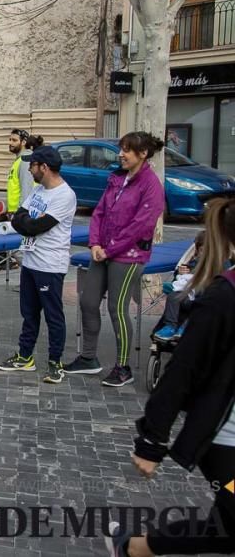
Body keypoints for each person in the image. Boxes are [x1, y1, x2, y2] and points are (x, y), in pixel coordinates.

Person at [105, 197, 235, 557]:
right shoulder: (224, 299)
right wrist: (151, 442)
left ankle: (135, 547)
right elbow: (182, 372)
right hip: (227, 441)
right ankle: (135, 547)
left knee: (226, 529)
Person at [65, 131, 166, 388]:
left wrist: (110, 250)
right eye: (120, 149)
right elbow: (99, 212)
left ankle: (123, 367)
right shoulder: (117, 179)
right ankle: (88, 358)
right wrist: (95, 243)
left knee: (117, 309)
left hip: (128, 256)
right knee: (88, 301)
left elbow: (140, 227)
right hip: (103, 252)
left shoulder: (151, 186)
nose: (120, 154)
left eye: (126, 150)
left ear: (142, 154)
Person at [0, 146, 77, 383]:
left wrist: (28, 221)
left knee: (53, 315)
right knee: (29, 313)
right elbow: (19, 218)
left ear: (45, 167)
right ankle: (25, 356)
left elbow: (34, 226)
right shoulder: (39, 190)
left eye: (32, 165)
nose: (29, 169)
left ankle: (55, 362)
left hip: (50, 264)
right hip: (30, 260)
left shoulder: (64, 195)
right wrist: (27, 221)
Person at [153, 232, 207, 339]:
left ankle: (186, 326)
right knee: (173, 296)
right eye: (202, 250)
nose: (205, 254)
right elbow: (181, 276)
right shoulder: (193, 261)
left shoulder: (221, 263)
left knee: (202, 293)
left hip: (203, 298)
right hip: (187, 295)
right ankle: (170, 326)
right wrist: (180, 272)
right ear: (197, 251)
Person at [6, 129, 30, 214]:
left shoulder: (25, 161)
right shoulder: (18, 160)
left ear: (23, 142)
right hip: (14, 212)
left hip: (19, 214)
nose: (10, 143)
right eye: (10, 140)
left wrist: (21, 214)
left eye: (14, 140)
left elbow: (26, 190)